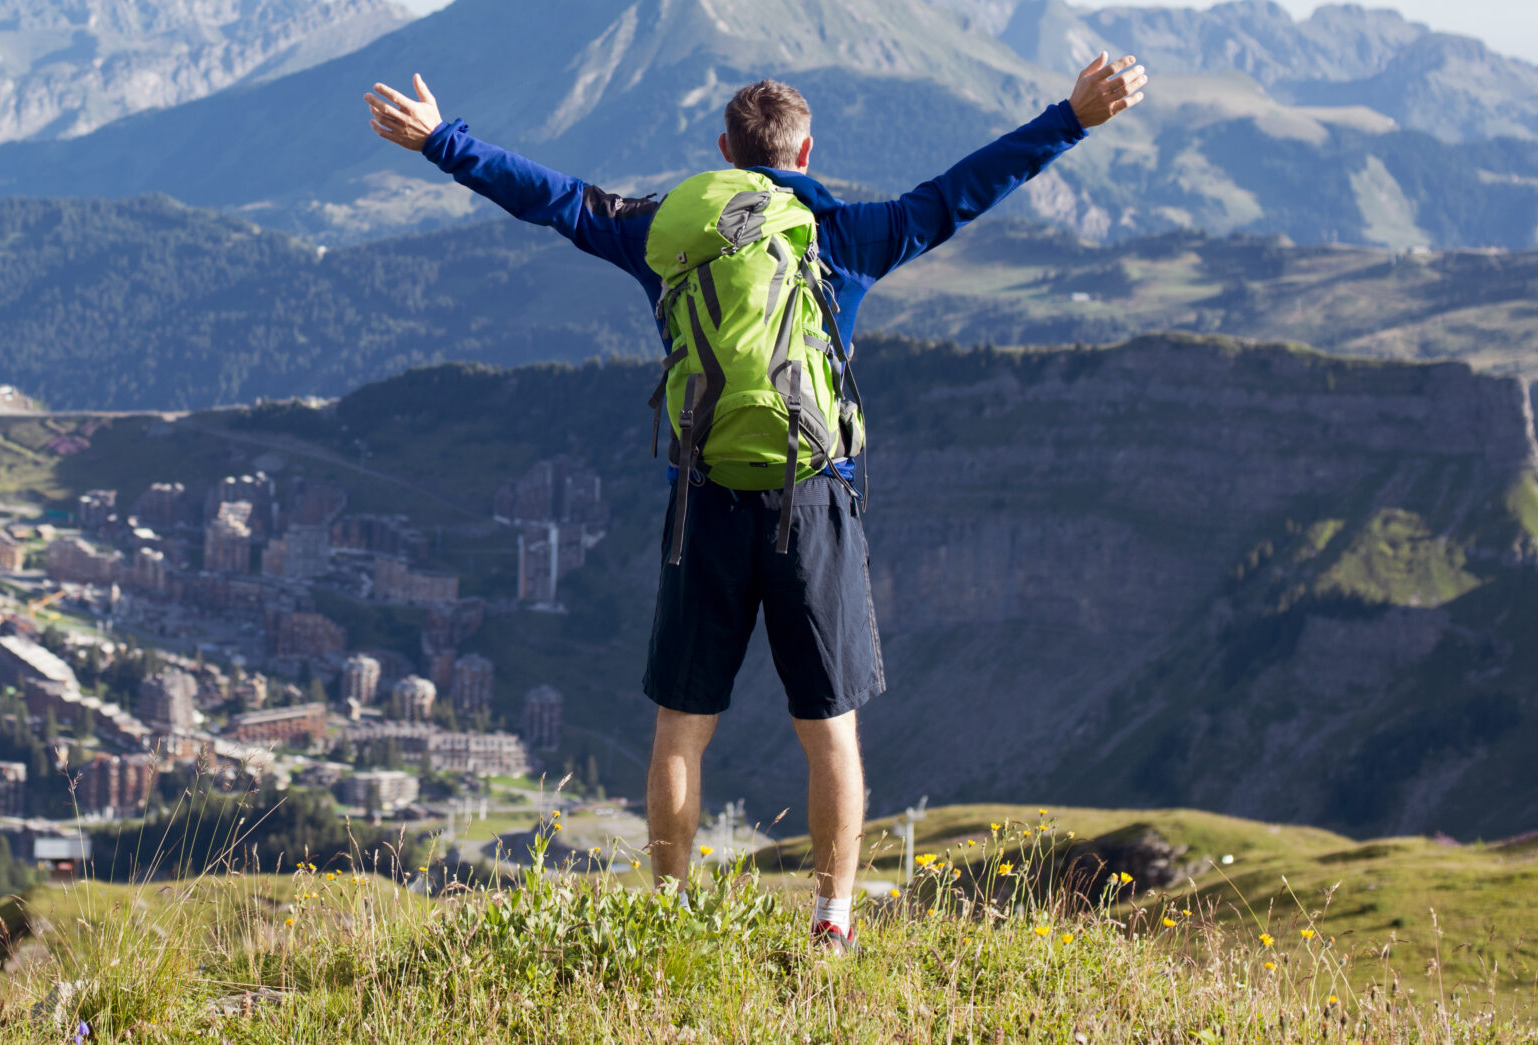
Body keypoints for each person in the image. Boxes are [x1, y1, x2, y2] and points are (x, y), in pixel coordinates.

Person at [363, 54, 1149, 954]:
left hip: (704, 503)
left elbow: (554, 198)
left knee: (680, 731)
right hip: (811, 504)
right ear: (804, 153)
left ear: (725, 153)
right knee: (830, 733)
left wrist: (441, 140)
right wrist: (1072, 116)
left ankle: (667, 918)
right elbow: (960, 191)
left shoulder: (665, 229)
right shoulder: (845, 234)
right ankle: (830, 923)